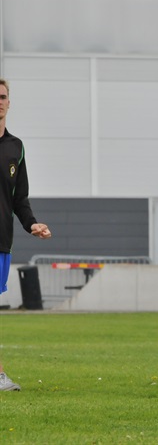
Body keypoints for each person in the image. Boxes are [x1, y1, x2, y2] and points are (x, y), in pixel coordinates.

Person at [0, 78, 52, 391]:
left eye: (2, 96)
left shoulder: (15, 147)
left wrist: (31, 223)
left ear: (9, 102)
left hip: (1, 241)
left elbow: (19, 198)